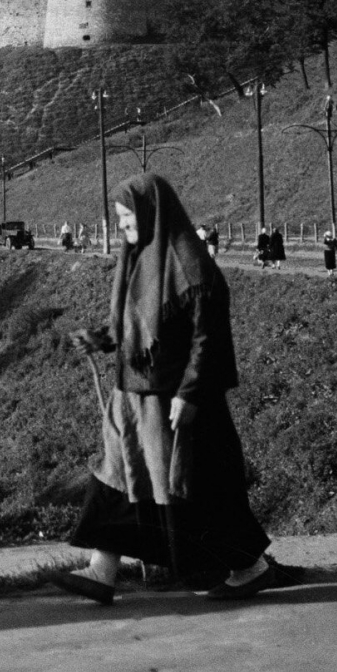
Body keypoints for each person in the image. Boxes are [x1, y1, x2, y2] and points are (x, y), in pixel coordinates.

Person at [51, 173, 280, 604]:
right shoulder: (140, 259)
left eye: (126, 216)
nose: (121, 226)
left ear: (151, 211)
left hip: (170, 404)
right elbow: (140, 326)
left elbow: (204, 337)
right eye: (118, 218)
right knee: (118, 479)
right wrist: (103, 338)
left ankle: (250, 567)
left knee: (195, 489)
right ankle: (102, 572)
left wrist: (191, 393)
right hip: (132, 401)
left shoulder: (188, 264)